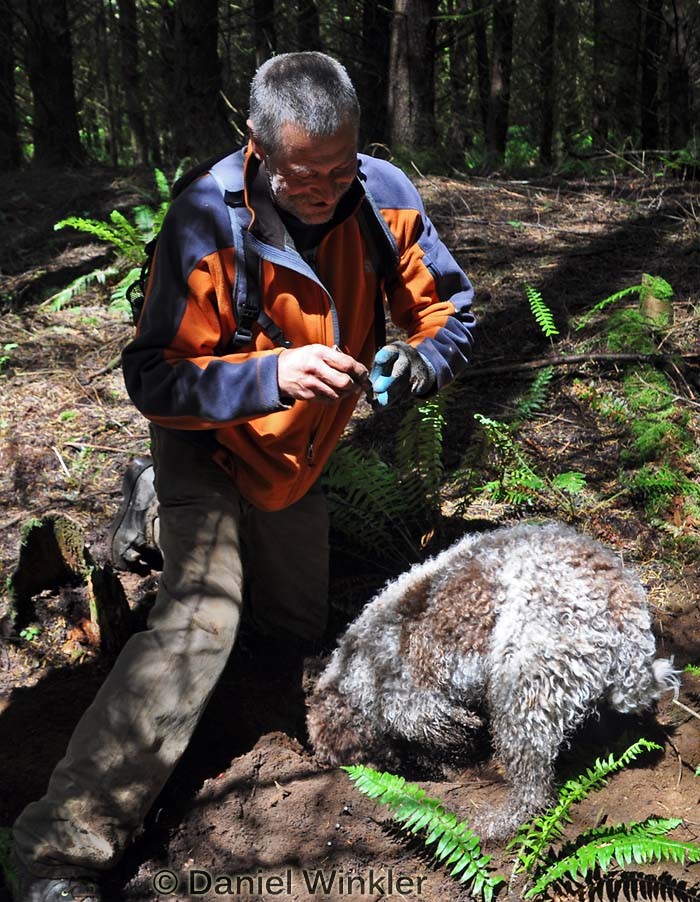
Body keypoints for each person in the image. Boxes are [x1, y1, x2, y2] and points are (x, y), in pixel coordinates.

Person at [11, 51, 476, 902]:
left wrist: (417, 362)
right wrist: (270, 375)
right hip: (207, 444)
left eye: (340, 168)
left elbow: (449, 310)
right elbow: (152, 377)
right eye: (304, 175)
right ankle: (60, 851)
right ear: (256, 146)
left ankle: (150, 518)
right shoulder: (202, 220)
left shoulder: (385, 195)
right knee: (202, 624)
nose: (325, 189)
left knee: (293, 629)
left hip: (296, 460)